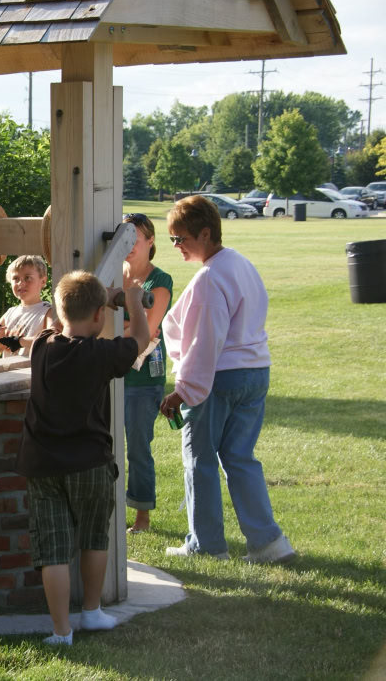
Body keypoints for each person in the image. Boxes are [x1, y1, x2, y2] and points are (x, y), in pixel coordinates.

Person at [159, 196, 295, 563]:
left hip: (220, 377)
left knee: (199, 459)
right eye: (172, 239)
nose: (177, 246)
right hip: (255, 372)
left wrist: (183, 392)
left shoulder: (209, 278)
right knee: (240, 458)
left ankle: (206, 546)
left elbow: (205, 343)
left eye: (181, 238)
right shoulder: (241, 263)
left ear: (206, 233)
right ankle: (269, 543)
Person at [18, 270, 149, 646]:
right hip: (90, 462)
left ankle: (61, 631)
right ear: (99, 316)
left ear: (60, 312)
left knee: (53, 549)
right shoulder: (102, 354)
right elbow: (138, 340)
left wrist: (92, 299)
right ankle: (91, 611)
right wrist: (132, 302)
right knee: (94, 537)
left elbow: (51, 322)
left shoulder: (42, 346)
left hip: (42, 463)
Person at [120, 214, 174, 534]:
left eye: (134, 239)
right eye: (123, 239)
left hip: (143, 379)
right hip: (110, 373)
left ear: (150, 241)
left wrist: (111, 328)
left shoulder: (160, 281)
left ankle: (142, 518)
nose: (128, 246)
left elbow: (148, 330)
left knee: (138, 449)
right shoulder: (112, 274)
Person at [0, 255, 58, 358]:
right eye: (15, 278)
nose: (21, 283)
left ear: (43, 281)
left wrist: (18, 342)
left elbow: (53, 341)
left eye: (28, 278)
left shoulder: (48, 311)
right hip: (11, 373)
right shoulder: (10, 313)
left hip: (32, 372)